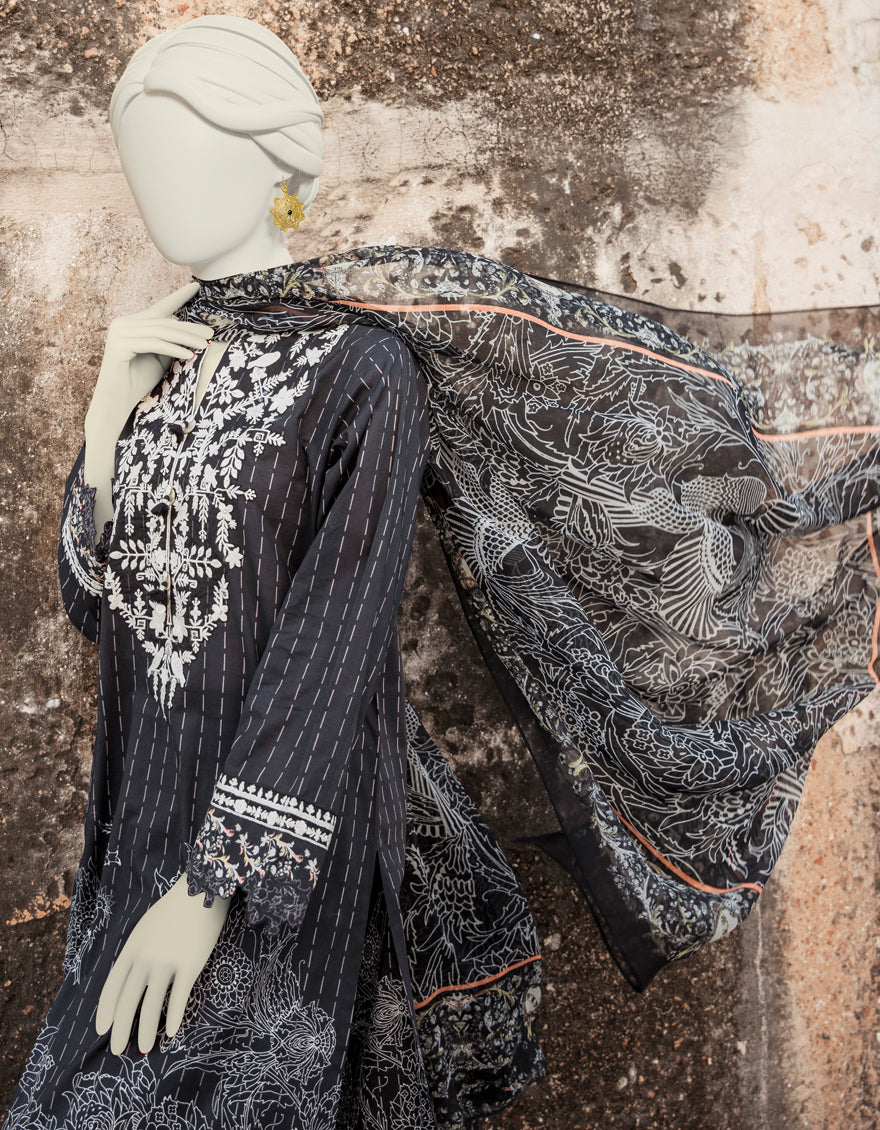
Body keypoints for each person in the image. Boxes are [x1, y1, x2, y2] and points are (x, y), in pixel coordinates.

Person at [6, 11, 880, 1130]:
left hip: (278, 844)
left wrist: (213, 882)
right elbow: (100, 607)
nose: (159, 186)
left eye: (189, 149)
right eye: (142, 160)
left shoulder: (360, 369)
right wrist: (102, 428)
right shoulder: (158, 362)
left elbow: (334, 634)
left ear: (277, 159)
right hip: (139, 827)